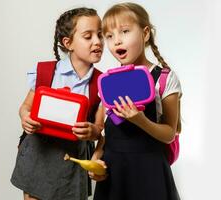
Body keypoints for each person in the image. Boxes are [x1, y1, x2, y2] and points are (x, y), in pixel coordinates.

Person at [89, 2, 182, 200]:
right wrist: (97, 157)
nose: (116, 41)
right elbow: (107, 130)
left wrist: (141, 121)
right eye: (109, 36)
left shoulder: (164, 78)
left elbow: (169, 133)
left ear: (145, 33)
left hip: (149, 172)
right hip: (114, 173)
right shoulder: (107, 81)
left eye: (124, 31)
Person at [10, 7, 105, 200]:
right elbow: (25, 107)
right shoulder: (46, 72)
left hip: (73, 160)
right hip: (39, 154)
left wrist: (91, 131)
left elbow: (99, 127)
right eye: (88, 36)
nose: (97, 41)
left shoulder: (102, 83)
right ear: (68, 43)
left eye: (100, 35)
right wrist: (25, 118)